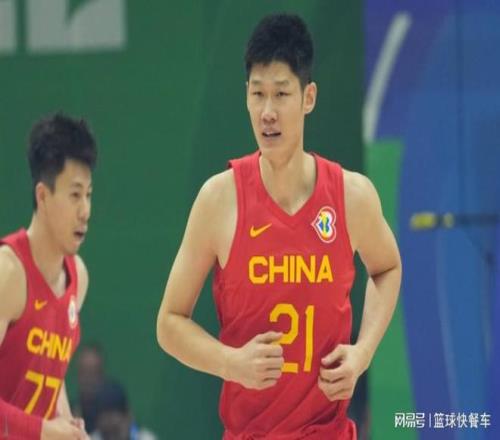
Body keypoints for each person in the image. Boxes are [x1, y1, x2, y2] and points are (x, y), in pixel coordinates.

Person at [156, 13, 401, 440]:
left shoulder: (351, 196)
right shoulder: (219, 199)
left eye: (281, 94)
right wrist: (231, 363)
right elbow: (169, 323)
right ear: (246, 97)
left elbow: (388, 267)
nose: (267, 112)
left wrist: (363, 352)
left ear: (309, 97)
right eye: (258, 94)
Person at [0, 113, 97, 439]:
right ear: (42, 196)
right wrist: (44, 431)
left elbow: (49, 379)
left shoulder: (78, 277)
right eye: (75, 195)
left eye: (89, 194)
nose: (85, 210)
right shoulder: (8, 274)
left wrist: (67, 424)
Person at [90, 381, 157, 440]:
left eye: (115, 431)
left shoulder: (145, 438)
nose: (112, 438)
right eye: (106, 434)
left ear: (128, 417)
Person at [72, 343, 106, 434]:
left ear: (101, 374)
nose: (88, 379)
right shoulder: (69, 413)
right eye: (83, 372)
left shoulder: (111, 414)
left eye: (92, 372)